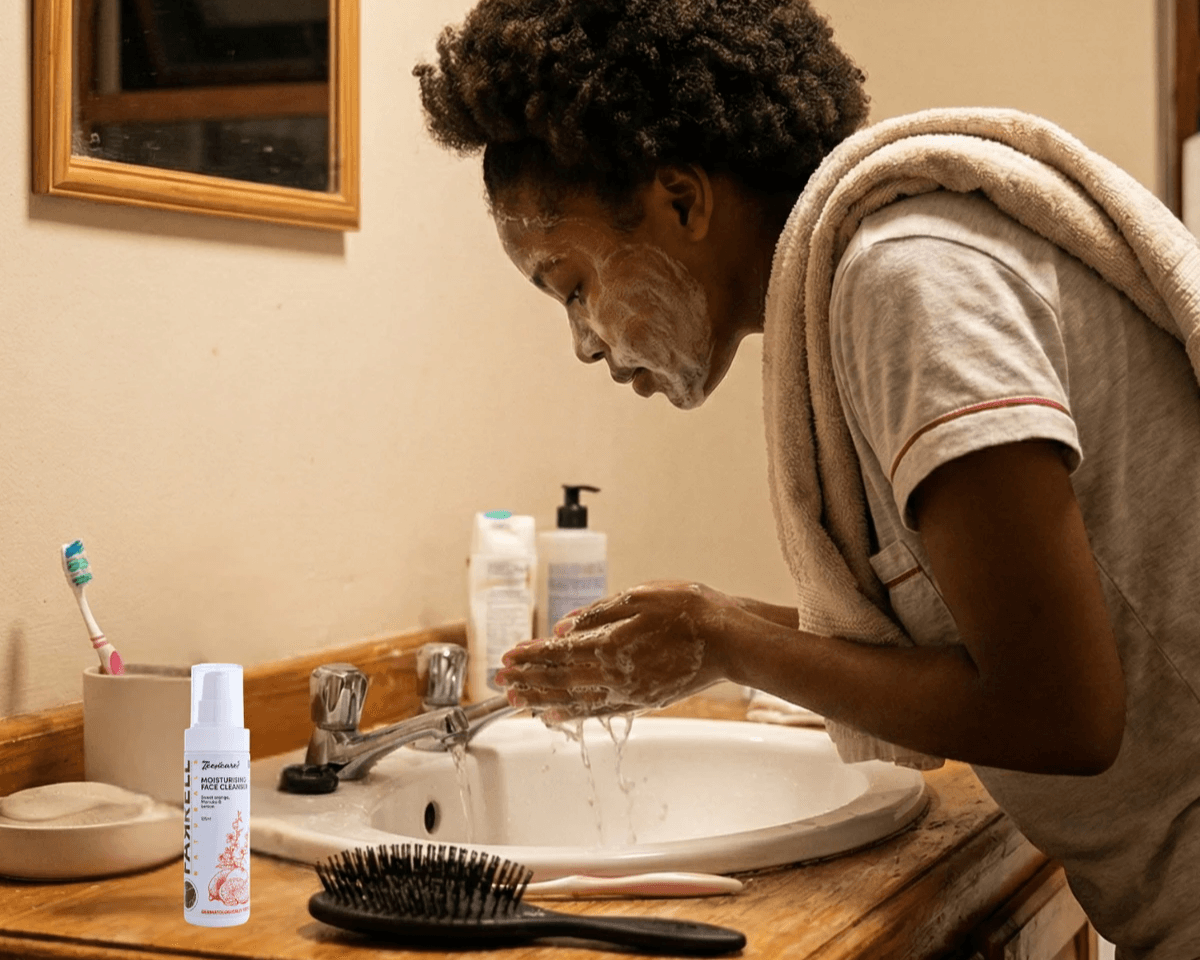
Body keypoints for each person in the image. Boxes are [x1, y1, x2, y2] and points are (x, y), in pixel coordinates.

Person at [414, 2, 1200, 957]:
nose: (583, 342)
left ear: (683, 201)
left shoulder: (904, 281)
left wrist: (724, 637)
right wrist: (710, 640)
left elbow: (1064, 713)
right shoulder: (874, 284)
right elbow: (991, 650)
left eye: (572, 284)